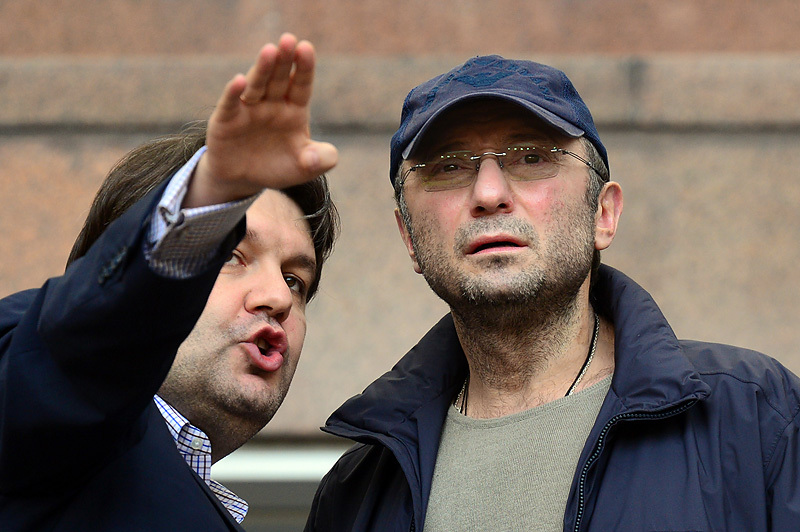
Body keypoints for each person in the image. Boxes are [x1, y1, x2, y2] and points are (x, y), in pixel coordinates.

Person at [304, 55, 800, 531]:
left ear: (603, 214)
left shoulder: (758, 419)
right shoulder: (355, 495)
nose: (488, 194)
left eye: (532, 157)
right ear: (409, 237)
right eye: (449, 167)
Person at [0, 33, 339, 531]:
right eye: (229, 254)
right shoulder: (37, 389)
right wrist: (212, 192)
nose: (277, 297)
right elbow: (79, 345)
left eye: (295, 280)